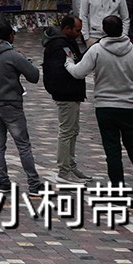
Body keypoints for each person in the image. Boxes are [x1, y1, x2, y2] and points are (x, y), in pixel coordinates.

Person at [67, 14, 133, 186]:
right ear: (122, 28)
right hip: (129, 106)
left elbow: (78, 72)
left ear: (104, 30)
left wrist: (68, 63)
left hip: (105, 107)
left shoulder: (97, 50)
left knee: (112, 151)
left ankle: (117, 189)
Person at [0, 21, 44, 194]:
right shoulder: (13, 55)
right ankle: (34, 183)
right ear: (10, 36)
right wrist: (24, 62)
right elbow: (34, 76)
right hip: (11, 103)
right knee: (23, 144)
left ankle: (3, 181)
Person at [41, 15, 89, 182]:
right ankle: (64, 169)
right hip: (66, 93)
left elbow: (75, 62)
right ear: (67, 29)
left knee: (73, 130)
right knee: (67, 131)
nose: (79, 33)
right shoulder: (58, 45)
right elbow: (62, 70)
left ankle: (70, 165)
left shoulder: (68, 42)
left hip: (73, 92)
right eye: (77, 30)